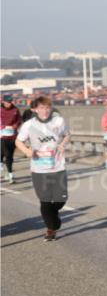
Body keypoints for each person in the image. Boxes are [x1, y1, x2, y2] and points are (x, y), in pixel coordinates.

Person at [15, 96, 70, 241]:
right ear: (34, 109)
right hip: (39, 169)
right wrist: (27, 151)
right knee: (45, 201)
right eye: (41, 108)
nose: (44, 111)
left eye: (47, 107)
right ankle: (51, 229)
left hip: (58, 166)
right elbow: (18, 141)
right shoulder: (28, 125)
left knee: (61, 200)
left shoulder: (59, 121)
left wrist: (63, 143)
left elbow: (67, 135)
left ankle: (53, 216)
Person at [1, 94, 23, 183]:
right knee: (5, 153)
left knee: (10, 155)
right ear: (3, 102)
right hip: (2, 136)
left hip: (13, 136)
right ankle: (10, 174)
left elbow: (19, 120)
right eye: (8, 102)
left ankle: (9, 174)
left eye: (11, 102)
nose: (9, 104)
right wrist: (2, 126)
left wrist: (16, 125)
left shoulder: (15, 110)